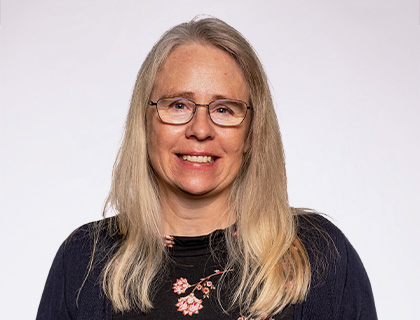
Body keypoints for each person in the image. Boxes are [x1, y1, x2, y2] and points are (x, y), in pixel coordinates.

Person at [36, 17, 377, 320]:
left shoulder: (319, 257)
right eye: (179, 104)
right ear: (146, 123)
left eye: (225, 109)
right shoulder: (83, 261)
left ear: (252, 133)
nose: (200, 129)